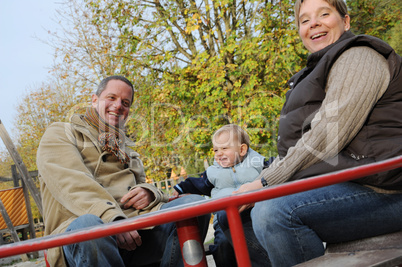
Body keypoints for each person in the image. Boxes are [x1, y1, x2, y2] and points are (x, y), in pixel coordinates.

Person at [225, 0, 402, 266]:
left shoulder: (360, 57)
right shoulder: (313, 73)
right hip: (346, 182)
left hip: (384, 188)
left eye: (324, 14)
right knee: (232, 216)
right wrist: (255, 186)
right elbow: (294, 151)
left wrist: (264, 183)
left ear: (346, 21)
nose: (314, 24)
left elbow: (329, 134)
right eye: (304, 20)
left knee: (274, 212)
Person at [37, 75, 210, 267]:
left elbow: (141, 183)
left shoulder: (125, 148)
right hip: (84, 232)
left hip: (135, 230)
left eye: (125, 103)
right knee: (89, 227)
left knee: (193, 205)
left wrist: (149, 193)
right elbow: (72, 184)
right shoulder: (62, 133)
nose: (118, 105)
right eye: (111, 98)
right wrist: (112, 219)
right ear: (95, 100)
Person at [173, 124, 274, 266]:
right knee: (222, 246)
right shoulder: (213, 173)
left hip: (254, 215)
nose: (219, 153)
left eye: (225, 148)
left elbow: (277, 169)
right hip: (224, 222)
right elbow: (196, 184)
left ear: (242, 149)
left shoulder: (258, 163)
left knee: (263, 239)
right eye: (216, 150)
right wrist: (179, 188)